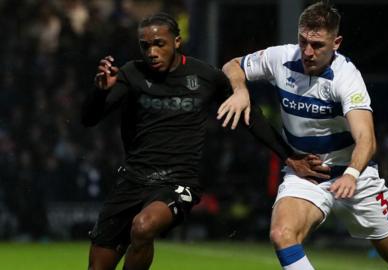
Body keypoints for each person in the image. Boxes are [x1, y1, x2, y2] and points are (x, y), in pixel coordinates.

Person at [81, 12, 328, 270]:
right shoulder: (132, 73)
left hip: (177, 182)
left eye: (159, 44)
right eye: (145, 46)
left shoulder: (205, 76)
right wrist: (99, 93)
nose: (152, 52)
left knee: (143, 227)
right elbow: (89, 119)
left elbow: (251, 117)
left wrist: (288, 156)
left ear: (177, 42)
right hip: (131, 180)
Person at [219, 1, 388, 269]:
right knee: (282, 234)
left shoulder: (346, 78)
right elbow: (232, 65)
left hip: (355, 176)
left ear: (336, 43)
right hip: (306, 172)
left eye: (317, 45)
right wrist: (241, 91)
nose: (307, 52)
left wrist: (351, 174)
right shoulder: (281, 58)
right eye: (303, 41)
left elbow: (366, 139)